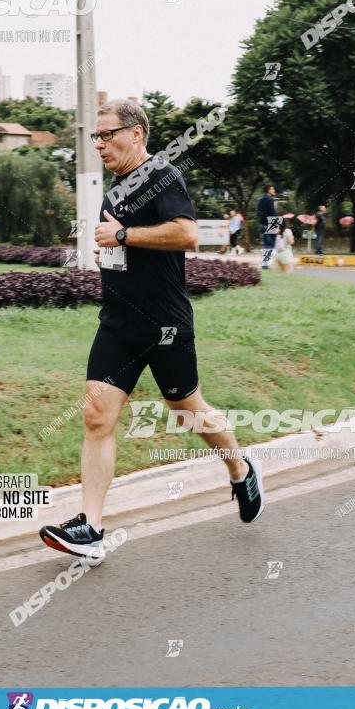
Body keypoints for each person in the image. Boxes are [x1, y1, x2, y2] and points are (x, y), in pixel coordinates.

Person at [39, 99, 264, 560]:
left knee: (187, 410)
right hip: (118, 324)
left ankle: (241, 469)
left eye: (107, 135)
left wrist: (123, 237)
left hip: (164, 326)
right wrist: (113, 256)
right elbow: (125, 246)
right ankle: (92, 529)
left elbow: (186, 234)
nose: (99, 144)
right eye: (95, 137)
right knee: (96, 415)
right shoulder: (115, 190)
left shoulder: (162, 176)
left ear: (136, 133)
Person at [257, 184, 277, 268]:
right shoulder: (269, 199)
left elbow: (258, 212)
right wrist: (276, 226)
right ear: (268, 190)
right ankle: (265, 265)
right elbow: (272, 213)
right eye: (272, 189)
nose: (274, 190)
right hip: (270, 224)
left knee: (265, 244)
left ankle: (265, 264)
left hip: (262, 223)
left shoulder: (261, 199)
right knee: (270, 244)